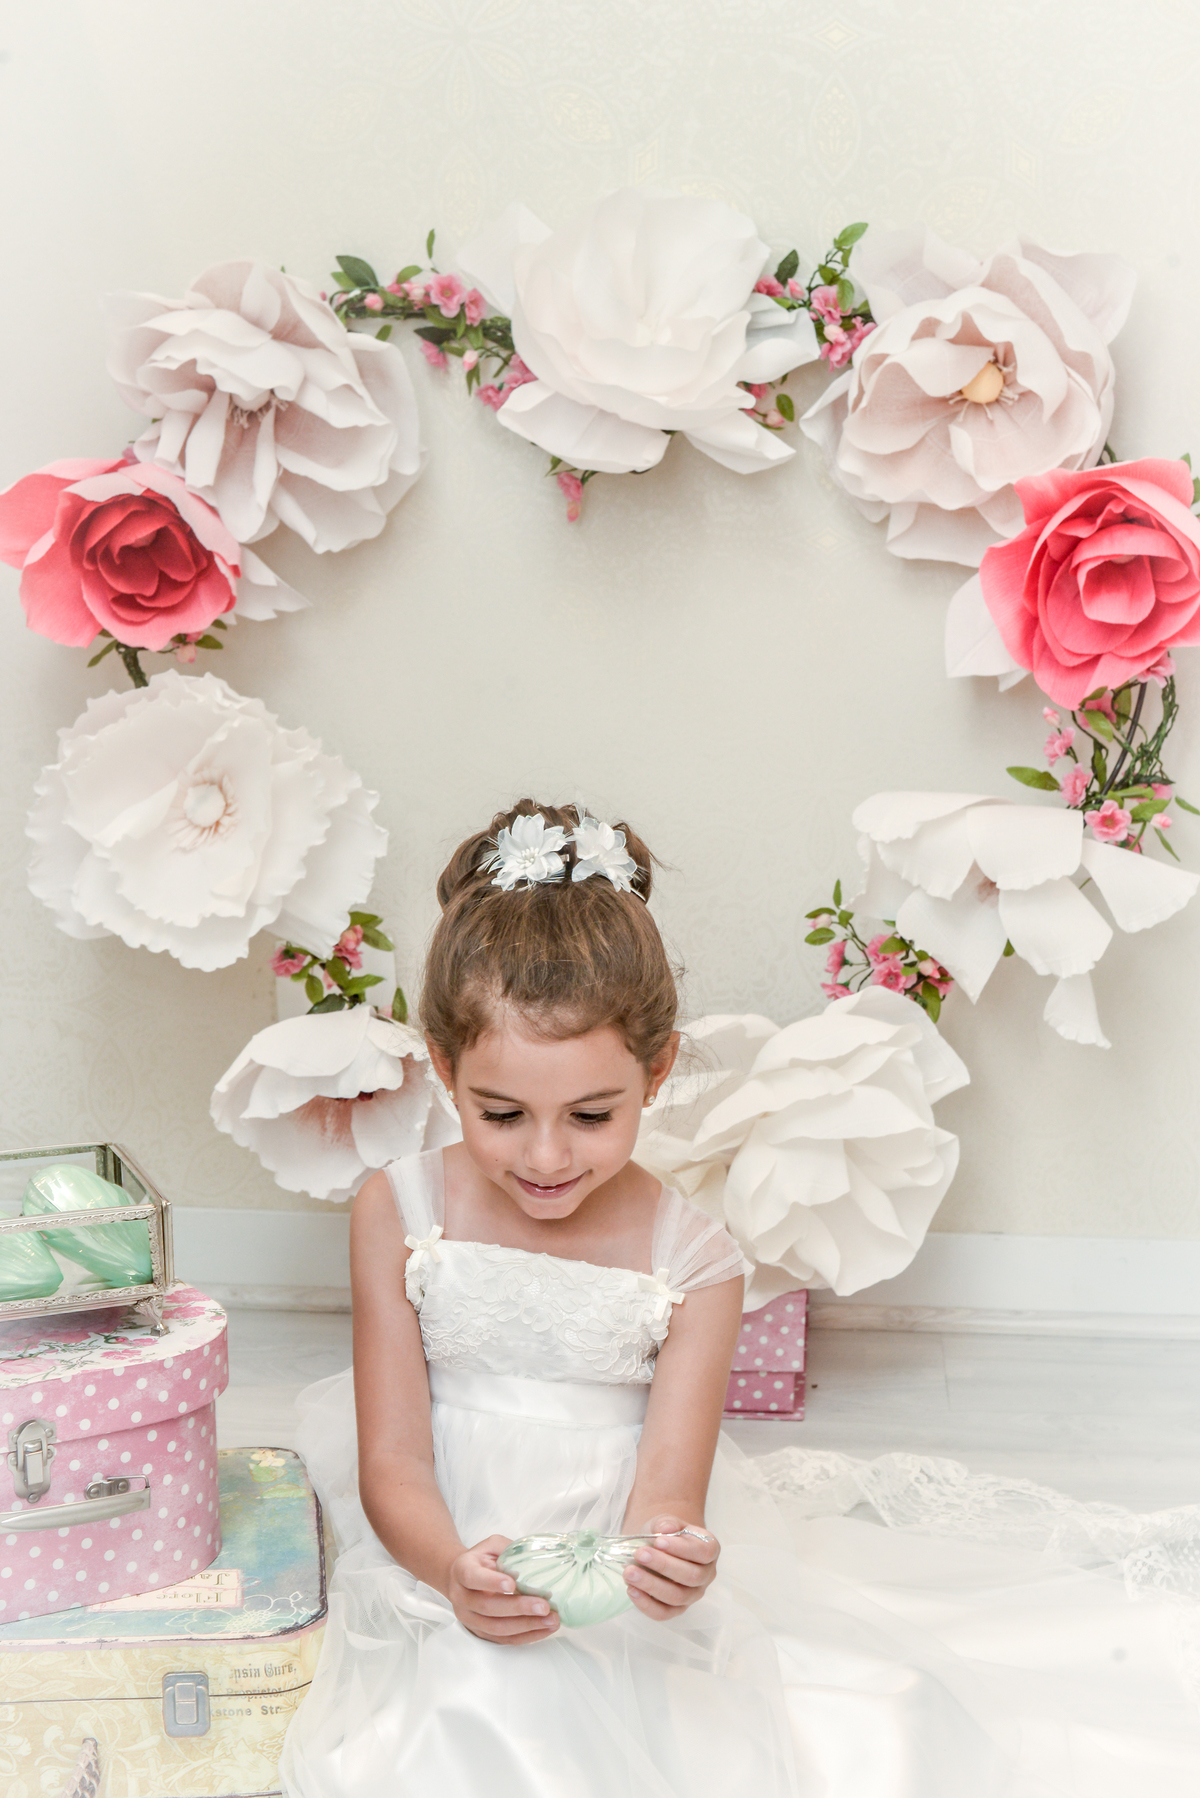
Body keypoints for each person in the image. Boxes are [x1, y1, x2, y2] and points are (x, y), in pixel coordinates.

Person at [281, 802, 1200, 1798]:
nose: (545, 1156)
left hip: (596, 1567)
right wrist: (451, 1569)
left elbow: (666, 1500)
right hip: (436, 1543)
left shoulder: (696, 1260)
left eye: (591, 1115)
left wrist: (663, 1569)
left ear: (657, 1071)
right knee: (457, 1716)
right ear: (444, 1067)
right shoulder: (399, 1208)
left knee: (607, 1722)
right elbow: (393, 1459)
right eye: (501, 1114)